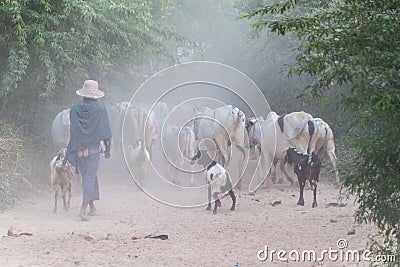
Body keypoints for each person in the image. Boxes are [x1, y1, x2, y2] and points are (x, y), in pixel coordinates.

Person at [64, 80, 112, 221]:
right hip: (93, 151)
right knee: (89, 177)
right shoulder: (100, 109)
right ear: (96, 95)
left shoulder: (74, 108)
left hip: (78, 151)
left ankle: (91, 207)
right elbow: (106, 131)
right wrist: (108, 148)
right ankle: (83, 209)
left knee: (88, 177)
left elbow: (72, 130)